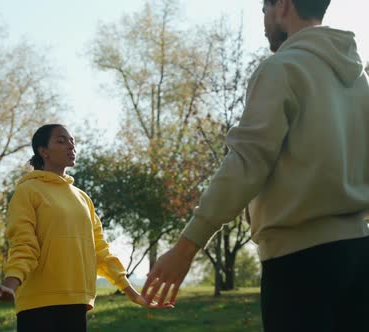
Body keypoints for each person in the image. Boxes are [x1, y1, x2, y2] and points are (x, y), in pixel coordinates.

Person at [142, 0, 369, 331]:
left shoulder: (281, 68)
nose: (263, 21)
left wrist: (186, 246)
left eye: (264, 10)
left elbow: (247, 162)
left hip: (300, 264)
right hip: (360, 256)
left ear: (283, 5)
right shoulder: (360, 81)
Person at [0, 124, 168, 332]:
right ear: (43, 151)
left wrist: (131, 292)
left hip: (77, 302)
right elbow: (24, 244)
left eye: (72, 141)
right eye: (61, 141)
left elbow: (100, 252)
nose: (70, 145)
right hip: (38, 305)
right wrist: (10, 285)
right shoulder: (28, 191)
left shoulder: (83, 198)